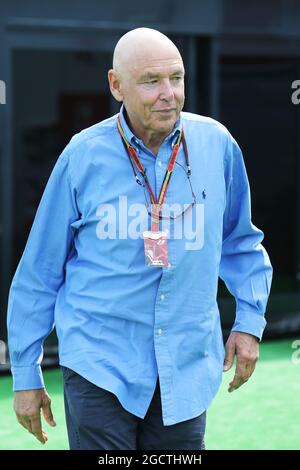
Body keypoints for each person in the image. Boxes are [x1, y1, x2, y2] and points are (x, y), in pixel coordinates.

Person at [7, 27, 273, 450]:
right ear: (116, 85)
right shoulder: (82, 155)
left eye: (177, 78)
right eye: (151, 81)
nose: (169, 93)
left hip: (185, 366)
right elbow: (40, 271)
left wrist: (249, 324)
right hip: (100, 364)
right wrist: (25, 373)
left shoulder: (217, 145)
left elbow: (240, 242)